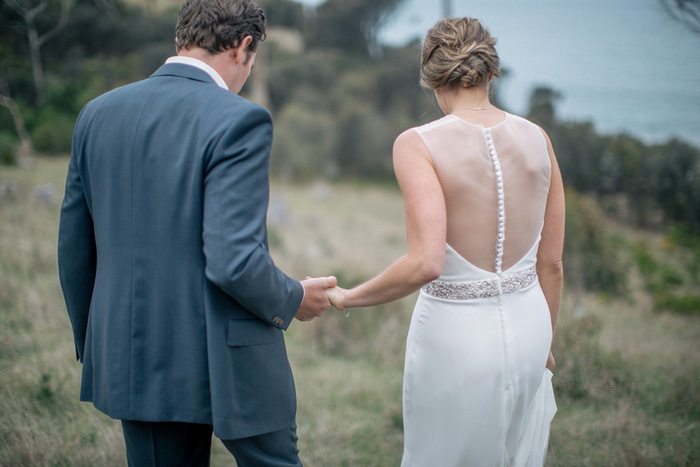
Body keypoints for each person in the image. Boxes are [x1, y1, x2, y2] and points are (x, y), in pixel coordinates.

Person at [57, 0, 336, 465]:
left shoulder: (95, 114)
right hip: (233, 362)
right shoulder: (238, 118)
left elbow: (74, 248)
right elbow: (234, 261)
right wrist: (293, 297)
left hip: (135, 358)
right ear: (244, 46)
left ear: (180, 38)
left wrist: (100, 343)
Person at [326, 16, 564, 466]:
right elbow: (551, 263)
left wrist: (348, 297)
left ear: (432, 79)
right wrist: (546, 341)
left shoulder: (417, 144)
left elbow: (426, 263)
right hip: (533, 327)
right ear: (492, 74)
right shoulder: (539, 139)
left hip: (454, 338)